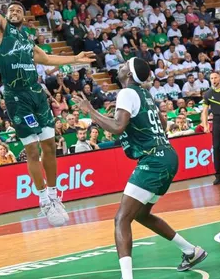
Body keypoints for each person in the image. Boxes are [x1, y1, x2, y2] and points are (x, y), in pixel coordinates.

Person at [0, 0, 95, 227]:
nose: (13, 12)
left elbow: (46, 60)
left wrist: (76, 59)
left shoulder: (26, 38)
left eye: (17, 11)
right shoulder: (0, 29)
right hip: (15, 97)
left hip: (36, 94)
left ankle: (54, 194)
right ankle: (43, 198)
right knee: (32, 149)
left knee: (50, 146)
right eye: (10, 10)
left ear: (24, 17)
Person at [72, 58, 207, 278]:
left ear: (129, 74)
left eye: (125, 64)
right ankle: (191, 251)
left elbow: (117, 127)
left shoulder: (127, 93)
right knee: (142, 214)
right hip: (167, 156)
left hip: (153, 160)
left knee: (121, 219)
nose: (121, 65)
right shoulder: (145, 94)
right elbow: (161, 123)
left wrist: (90, 111)